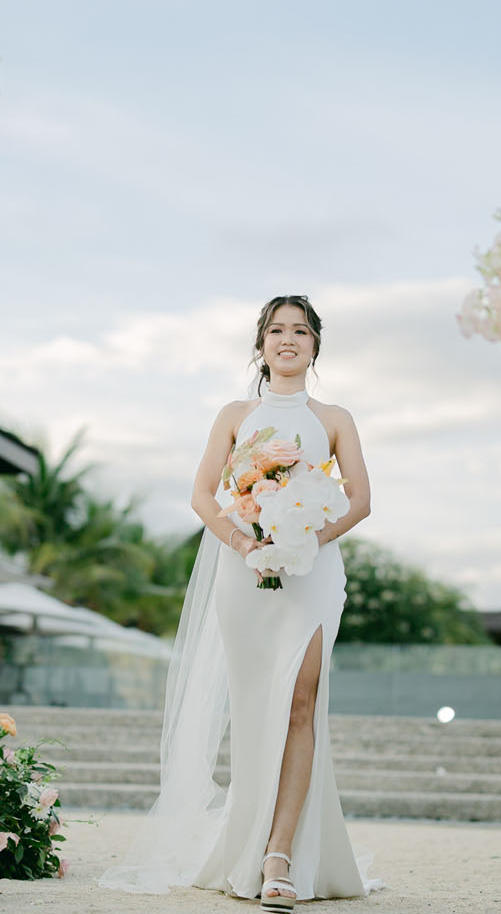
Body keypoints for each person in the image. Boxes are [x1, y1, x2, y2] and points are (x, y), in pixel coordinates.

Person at [101, 295, 379, 909]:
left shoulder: (335, 417)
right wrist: (244, 542)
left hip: (310, 574)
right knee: (255, 710)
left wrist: (304, 541)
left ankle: (279, 854)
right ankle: (247, 839)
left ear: (314, 346)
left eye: (300, 331)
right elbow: (203, 493)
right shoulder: (234, 414)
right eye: (277, 330)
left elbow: (358, 499)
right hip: (243, 570)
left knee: (301, 701)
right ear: (261, 344)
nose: (288, 340)